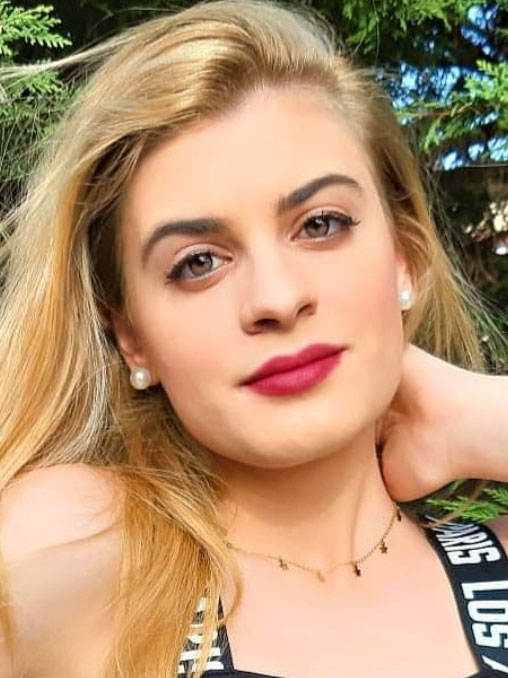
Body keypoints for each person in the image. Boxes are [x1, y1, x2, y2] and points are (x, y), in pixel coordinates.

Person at [0, 0, 507, 676]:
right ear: (132, 338)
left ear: (403, 260)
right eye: (198, 263)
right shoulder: (77, 553)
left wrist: (475, 415)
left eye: (320, 224)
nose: (277, 299)